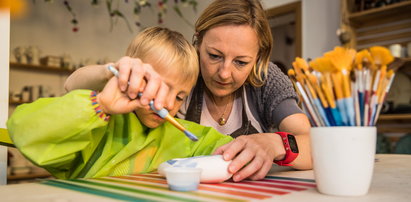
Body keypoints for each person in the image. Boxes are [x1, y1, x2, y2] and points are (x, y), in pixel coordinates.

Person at [64, 0, 312, 182]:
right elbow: (71, 85)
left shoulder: (265, 80)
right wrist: (111, 72)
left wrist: (274, 143)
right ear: (198, 42)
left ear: (259, 58)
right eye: (214, 56)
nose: (224, 73)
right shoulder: (182, 74)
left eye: (241, 62)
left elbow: (314, 147)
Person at [7, 27, 233, 179]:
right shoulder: (96, 121)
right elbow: (24, 129)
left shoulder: (186, 138)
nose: (167, 104)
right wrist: (101, 105)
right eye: (158, 87)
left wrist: (261, 144)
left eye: (179, 97)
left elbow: (231, 150)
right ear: (132, 75)